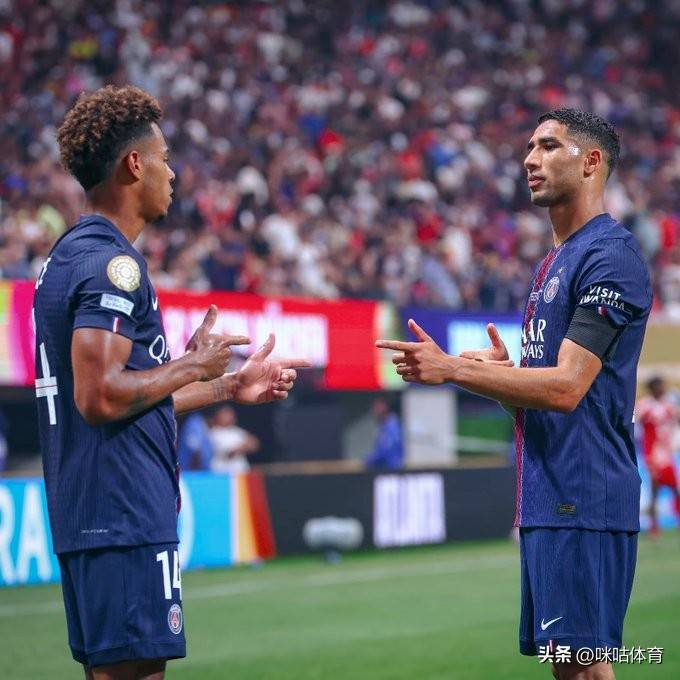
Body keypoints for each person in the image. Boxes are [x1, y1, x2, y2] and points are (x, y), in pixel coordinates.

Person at [33, 85, 310, 680]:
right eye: (164, 158)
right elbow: (99, 396)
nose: (173, 173)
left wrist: (225, 388)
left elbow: (127, 397)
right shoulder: (113, 266)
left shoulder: (69, 255)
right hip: (123, 517)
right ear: (135, 165)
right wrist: (193, 365)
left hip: (96, 516)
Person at [377, 109, 652, 680]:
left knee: (582, 667)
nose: (530, 159)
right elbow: (543, 396)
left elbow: (567, 387)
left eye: (548, 146)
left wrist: (453, 369)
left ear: (591, 162)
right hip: (551, 497)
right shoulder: (554, 261)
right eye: (529, 147)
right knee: (568, 666)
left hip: (583, 495)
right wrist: (501, 376)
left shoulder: (609, 255)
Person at [635, 376, 680, 534]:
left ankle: (677, 518)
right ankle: (654, 526)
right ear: (652, 389)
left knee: (675, 487)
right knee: (655, 488)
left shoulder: (668, 405)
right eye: (658, 387)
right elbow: (634, 424)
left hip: (666, 453)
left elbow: (676, 418)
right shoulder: (644, 405)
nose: (661, 390)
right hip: (651, 453)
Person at [209, 405, 259, 475]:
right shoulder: (213, 433)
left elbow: (254, 444)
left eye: (230, 414)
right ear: (217, 415)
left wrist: (244, 447)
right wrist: (244, 447)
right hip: (222, 474)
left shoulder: (236, 431)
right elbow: (230, 453)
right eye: (225, 414)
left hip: (241, 473)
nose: (229, 416)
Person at [364, 397, 403, 470]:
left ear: (384, 407)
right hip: (385, 469)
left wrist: (368, 460)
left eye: (377, 407)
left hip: (394, 469)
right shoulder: (383, 426)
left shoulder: (393, 425)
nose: (374, 410)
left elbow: (386, 450)